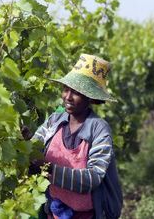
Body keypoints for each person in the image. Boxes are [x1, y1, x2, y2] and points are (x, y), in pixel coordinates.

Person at [27, 54, 123, 219]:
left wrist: (48, 167)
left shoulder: (99, 129)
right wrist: (25, 142)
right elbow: (34, 148)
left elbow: (92, 178)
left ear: (91, 98)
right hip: (55, 211)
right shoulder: (55, 121)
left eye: (76, 92)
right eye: (66, 89)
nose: (68, 97)